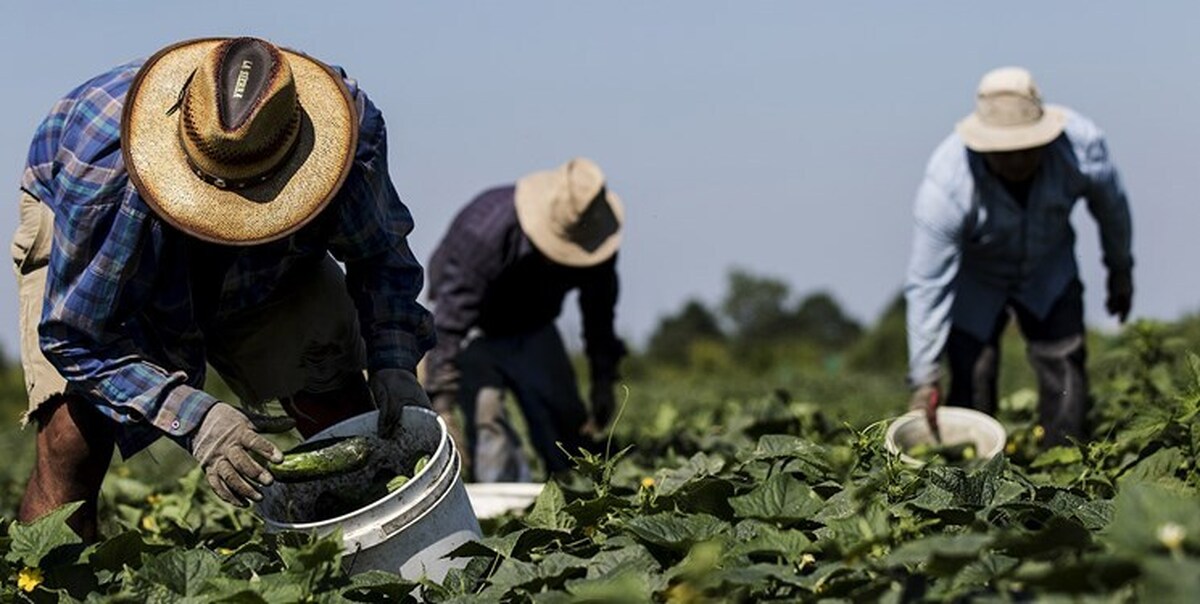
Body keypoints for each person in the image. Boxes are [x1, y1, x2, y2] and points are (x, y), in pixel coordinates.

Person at [12, 37, 435, 539]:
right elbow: (76, 337)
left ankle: (381, 567)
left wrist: (393, 361)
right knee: (73, 437)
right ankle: (48, 584)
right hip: (105, 243)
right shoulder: (106, 177)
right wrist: (196, 418)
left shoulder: (346, 135)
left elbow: (380, 256)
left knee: (338, 399)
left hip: (272, 266)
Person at [905, 66, 1133, 447]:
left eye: (1025, 149)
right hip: (979, 278)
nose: (1015, 161)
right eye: (1003, 153)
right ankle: (972, 483)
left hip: (1049, 268)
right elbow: (928, 284)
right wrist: (924, 377)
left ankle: (1065, 470)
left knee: (1064, 366)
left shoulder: (1081, 148)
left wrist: (1120, 269)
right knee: (973, 373)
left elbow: (1113, 209)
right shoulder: (946, 184)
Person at [425, 158, 627, 482]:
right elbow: (450, 319)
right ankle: (502, 513)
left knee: (566, 422)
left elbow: (599, 314)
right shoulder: (484, 230)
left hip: (534, 324)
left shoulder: (596, 238)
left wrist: (603, 379)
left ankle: (576, 496)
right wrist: (441, 404)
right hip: (473, 326)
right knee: (488, 419)